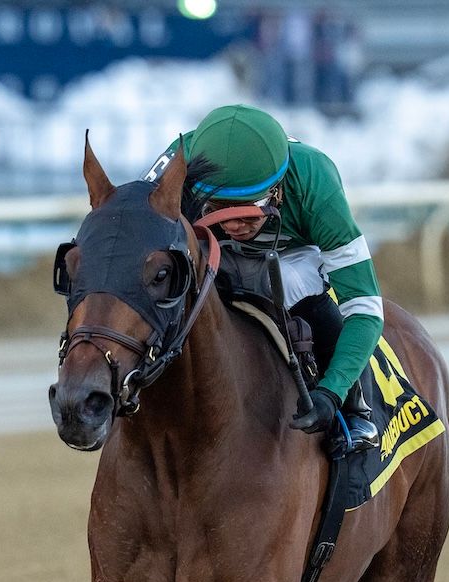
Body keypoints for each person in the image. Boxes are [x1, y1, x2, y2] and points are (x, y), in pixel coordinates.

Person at [145, 104, 382, 450]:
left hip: (288, 257)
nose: (233, 224)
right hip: (209, 249)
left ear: (277, 191)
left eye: (248, 212)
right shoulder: (178, 164)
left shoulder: (315, 181)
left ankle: (355, 410)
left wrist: (332, 392)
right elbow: (133, 232)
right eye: (217, 208)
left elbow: (364, 307)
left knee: (293, 282)